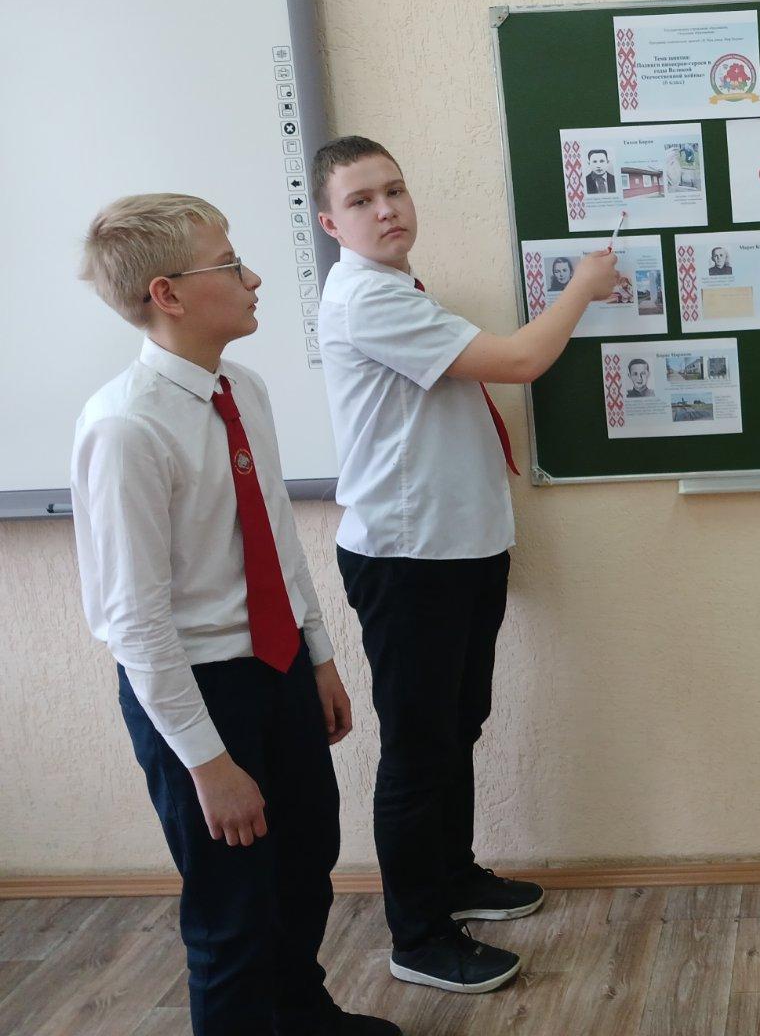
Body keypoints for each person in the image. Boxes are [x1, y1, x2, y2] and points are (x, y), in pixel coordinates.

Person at [71, 193, 399, 1036]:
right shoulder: (125, 428)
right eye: (230, 265)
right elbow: (135, 624)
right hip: (199, 691)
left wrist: (318, 655)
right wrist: (207, 764)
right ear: (168, 294)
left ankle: (300, 1014)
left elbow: (276, 536)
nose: (253, 279)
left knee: (305, 867)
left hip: (278, 667)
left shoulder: (240, 389)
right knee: (232, 909)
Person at [314, 137, 619, 994]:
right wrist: (582, 290)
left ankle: (452, 876)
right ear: (331, 223)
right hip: (409, 559)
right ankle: (418, 937)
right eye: (362, 200)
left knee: (458, 727)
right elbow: (519, 361)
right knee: (419, 749)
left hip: (458, 549)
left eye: (395, 190)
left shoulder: (397, 288)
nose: (387, 209)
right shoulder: (368, 300)